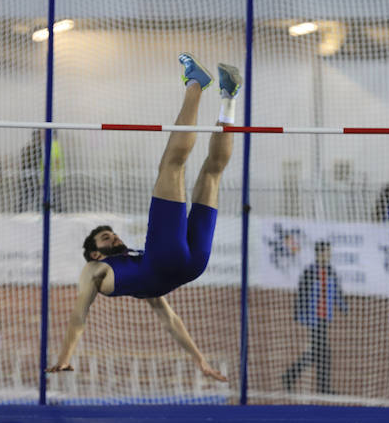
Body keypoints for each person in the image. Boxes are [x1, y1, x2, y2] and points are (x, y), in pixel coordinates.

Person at [46, 54, 242, 382]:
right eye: (105, 239)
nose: (114, 237)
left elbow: (170, 321)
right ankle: (195, 84)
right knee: (172, 166)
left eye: (112, 234)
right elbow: (79, 315)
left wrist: (199, 360)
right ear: (94, 254)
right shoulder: (95, 270)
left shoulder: (141, 279)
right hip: (172, 262)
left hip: (189, 266)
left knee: (213, 173)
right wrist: (65, 357)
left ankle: (229, 96)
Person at [282, 240, 348, 394]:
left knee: (319, 352)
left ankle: (293, 377)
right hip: (314, 318)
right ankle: (318, 386)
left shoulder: (331, 271)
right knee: (321, 351)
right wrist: (300, 314)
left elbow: (337, 291)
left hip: (325, 317)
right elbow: (302, 294)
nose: (328, 255)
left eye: (329, 252)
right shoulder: (310, 272)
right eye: (326, 252)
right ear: (319, 253)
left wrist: (343, 307)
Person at [17, 130, 43, 212]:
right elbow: (25, 163)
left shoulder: (38, 148)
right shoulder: (32, 149)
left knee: (34, 196)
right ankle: (20, 212)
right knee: (25, 196)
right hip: (28, 176)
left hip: (33, 175)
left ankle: (34, 211)